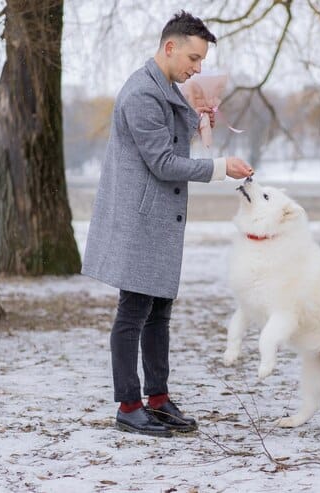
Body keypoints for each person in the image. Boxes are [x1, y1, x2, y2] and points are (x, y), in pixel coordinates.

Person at [81, 11, 253, 437]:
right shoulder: (141, 93)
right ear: (170, 46)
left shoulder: (165, 88)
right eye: (194, 59)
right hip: (140, 221)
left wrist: (199, 118)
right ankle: (128, 405)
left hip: (157, 220)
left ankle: (158, 399)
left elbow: (169, 144)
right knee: (133, 312)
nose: (197, 68)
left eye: (202, 62)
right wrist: (219, 167)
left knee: (159, 312)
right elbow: (161, 162)